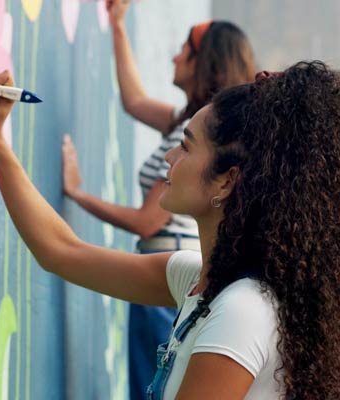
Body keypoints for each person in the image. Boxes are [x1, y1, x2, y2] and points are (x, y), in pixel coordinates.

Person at [0, 61, 340, 399]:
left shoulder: (242, 311)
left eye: (187, 145)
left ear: (226, 181)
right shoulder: (200, 283)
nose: (170, 158)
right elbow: (61, 252)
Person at [61, 2, 256, 397]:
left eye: (186, 48)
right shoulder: (190, 125)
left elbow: (147, 221)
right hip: (174, 267)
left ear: (207, 62)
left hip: (171, 267)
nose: (175, 55)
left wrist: (78, 195)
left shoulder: (194, 133)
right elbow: (133, 100)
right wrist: (117, 26)